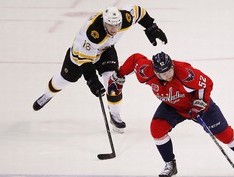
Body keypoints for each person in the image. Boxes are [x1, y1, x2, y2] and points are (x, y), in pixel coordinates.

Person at [107, 52, 234, 177]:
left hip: (197, 106)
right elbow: (136, 58)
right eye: (163, 73)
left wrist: (200, 105)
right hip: (172, 106)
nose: (168, 74)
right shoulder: (146, 72)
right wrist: (119, 75)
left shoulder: (185, 72)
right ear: (155, 72)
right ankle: (170, 165)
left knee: (225, 135)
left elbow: (206, 83)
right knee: (156, 129)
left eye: (170, 70)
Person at [33, 5, 167, 133]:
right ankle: (47, 95)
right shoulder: (94, 32)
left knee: (113, 83)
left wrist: (151, 27)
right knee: (64, 79)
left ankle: (115, 115)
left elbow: (138, 11)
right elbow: (85, 61)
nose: (114, 29)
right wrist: (92, 80)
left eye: (117, 25)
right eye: (110, 25)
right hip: (79, 55)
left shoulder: (125, 18)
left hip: (105, 50)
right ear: (104, 22)